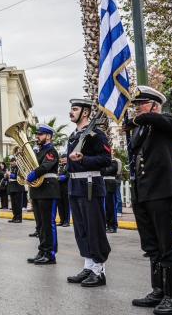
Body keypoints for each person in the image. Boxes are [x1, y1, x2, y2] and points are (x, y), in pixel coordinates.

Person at [125, 86, 172, 314]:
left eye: (141, 104)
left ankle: (171, 298)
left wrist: (137, 119)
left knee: (166, 245)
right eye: (136, 105)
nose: (137, 109)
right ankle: (157, 290)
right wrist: (132, 125)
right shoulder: (142, 130)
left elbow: (158, 121)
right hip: (143, 193)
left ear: (155, 105)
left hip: (161, 192)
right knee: (151, 245)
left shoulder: (167, 123)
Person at [65, 98, 112, 289]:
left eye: (75, 109)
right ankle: (88, 265)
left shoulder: (96, 134)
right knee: (81, 229)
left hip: (90, 183)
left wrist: (84, 158)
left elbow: (106, 159)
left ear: (85, 112)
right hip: (75, 184)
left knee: (94, 228)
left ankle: (99, 270)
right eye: (71, 109)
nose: (71, 112)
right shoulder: (74, 136)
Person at [25, 124, 61, 264]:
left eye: (40, 134)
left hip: (48, 189)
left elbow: (46, 166)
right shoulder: (38, 151)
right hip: (37, 190)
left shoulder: (51, 150)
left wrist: (33, 174)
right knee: (40, 224)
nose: (37, 137)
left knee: (48, 223)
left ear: (49, 136)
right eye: (37, 134)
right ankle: (42, 250)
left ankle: (50, 254)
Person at [102, 157, 121, 233]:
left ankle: (113, 226)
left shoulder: (114, 161)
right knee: (105, 207)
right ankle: (108, 225)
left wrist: (103, 170)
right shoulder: (104, 161)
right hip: (104, 183)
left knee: (111, 207)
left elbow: (110, 170)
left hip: (110, 184)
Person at [6, 157, 24, 223]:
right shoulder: (11, 168)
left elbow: (19, 177)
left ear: (15, 161)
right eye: (11, 162)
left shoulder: (19, 168)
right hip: (12, 187)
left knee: (18, 204)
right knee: (13, 204)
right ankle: (14, 217)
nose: (11, 164)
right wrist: (7, 175)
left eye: (12, 162)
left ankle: (19, 218)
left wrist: (10, 174)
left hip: (18, 187)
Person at [57, 156, 71, 227]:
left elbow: (68, 175)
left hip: (66, 188)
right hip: (59, 188)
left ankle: (66, 221)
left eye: (64, 158)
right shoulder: (59, 167)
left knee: (66, 205)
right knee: (60, 205)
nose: (62, 160)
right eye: (62, 159)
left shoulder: (69, 166)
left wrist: (60, 177)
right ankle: (62, 220)